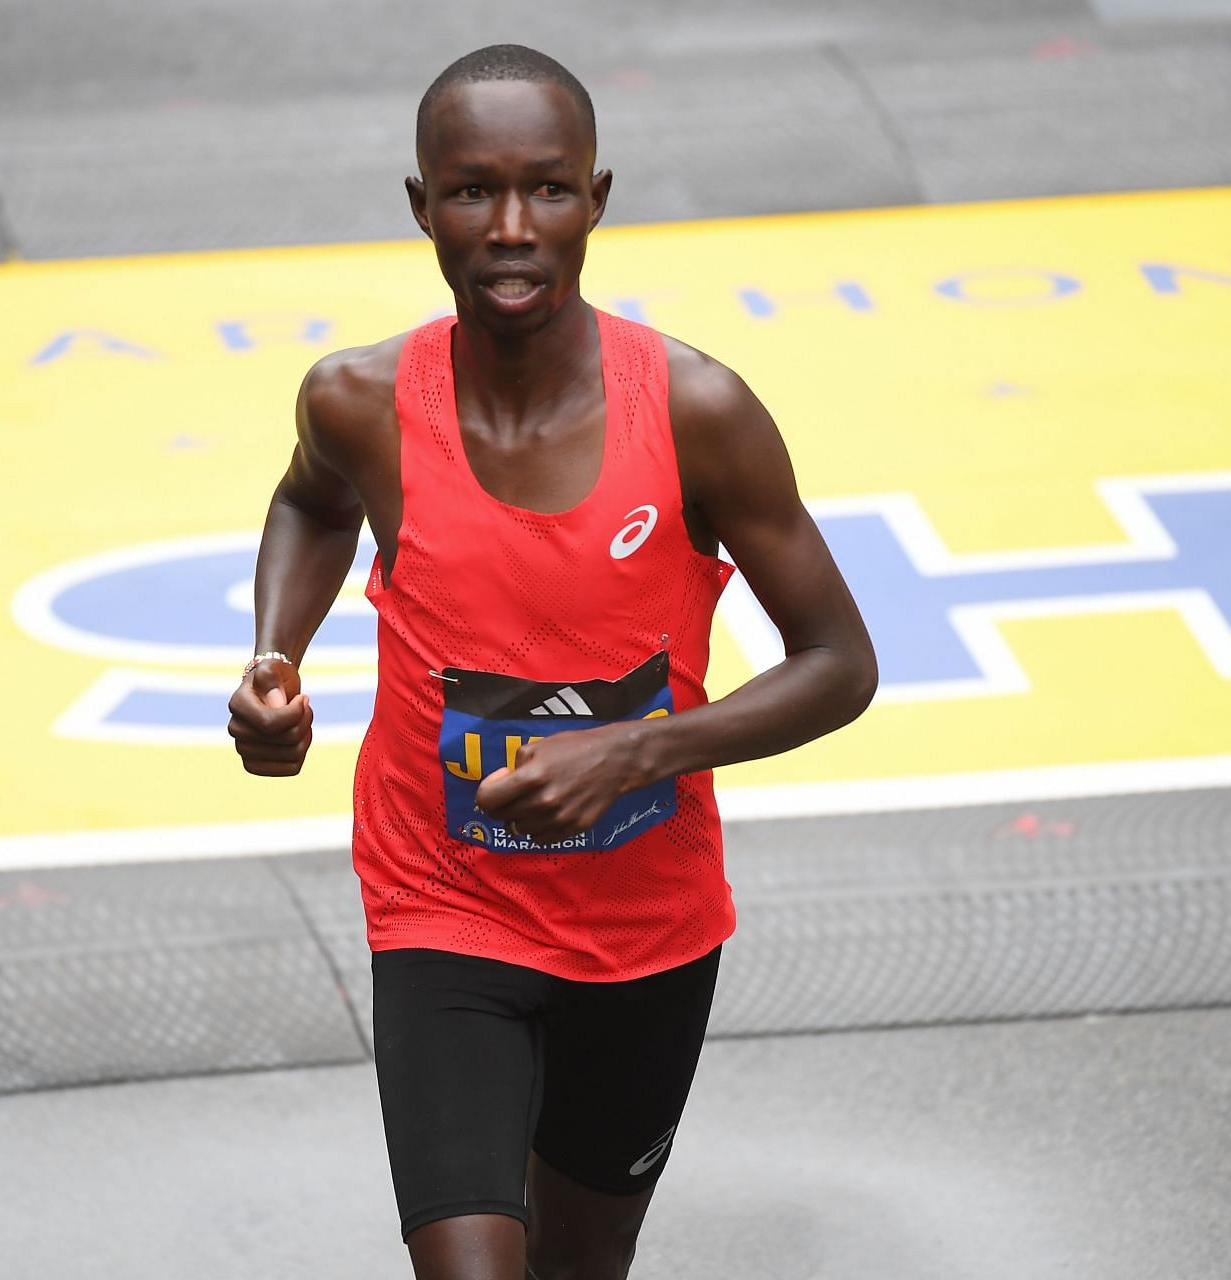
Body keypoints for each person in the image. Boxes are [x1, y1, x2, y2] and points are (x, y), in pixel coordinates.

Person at [227, 43, 877, 1280]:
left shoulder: (697, 410)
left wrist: (638, 748)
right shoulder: (358, 399)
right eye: (473, 191)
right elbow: (312, 504)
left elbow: (840, 663)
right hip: (443, 899)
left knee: (582, 1264)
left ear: (598, 196)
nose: (514, 227)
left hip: (645, 925)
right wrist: (273, 652)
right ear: (421, 206)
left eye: (551, 190)